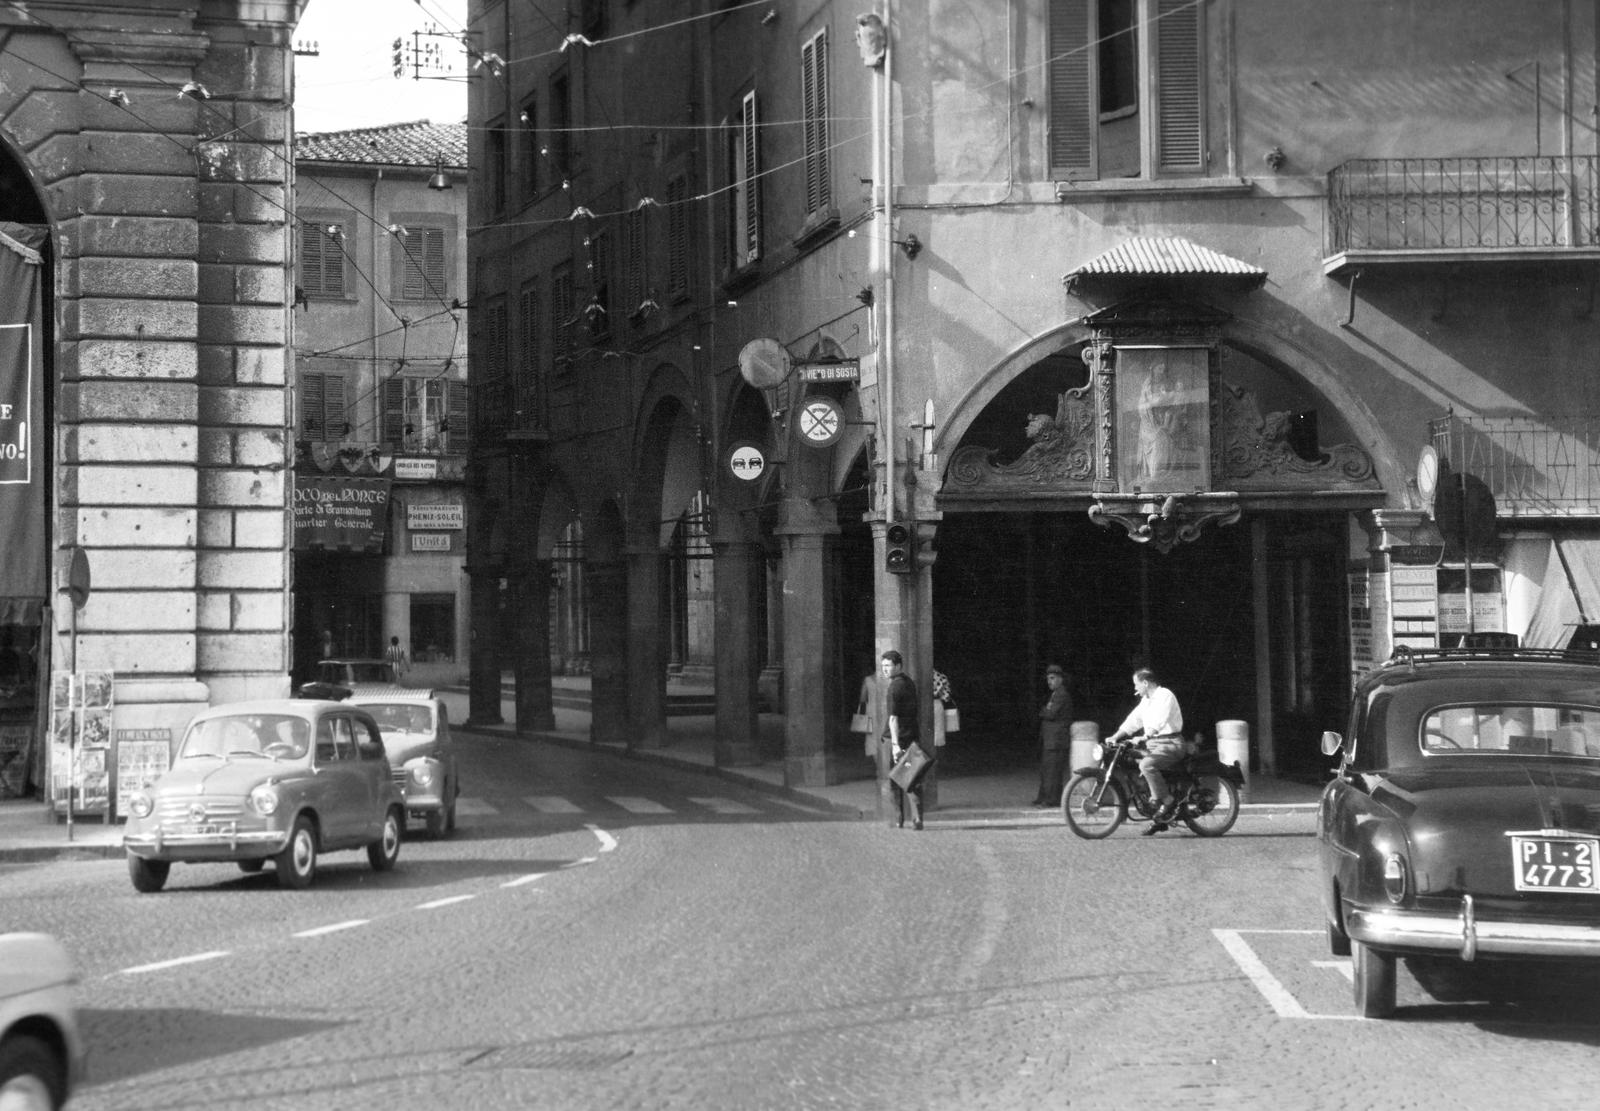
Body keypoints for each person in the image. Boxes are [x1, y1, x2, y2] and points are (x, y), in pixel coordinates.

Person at [1106, 666, 1185, 836]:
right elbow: (1133, 720)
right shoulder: (1146, 700)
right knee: (1134, 764)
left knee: (1147, 766)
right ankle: (1159, 816)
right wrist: (1115, 736)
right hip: (1154, 744)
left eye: (1136, 684)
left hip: (1171, 743)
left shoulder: (1165, 695)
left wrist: (1145, 736)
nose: (1135, 688)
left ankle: (1168, 801)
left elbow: (1160, 721)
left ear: (1145, 683)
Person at [878, 650, 927, 830]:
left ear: (898, 666)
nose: (884, 669)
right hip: (912, 737)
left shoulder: (893, 687)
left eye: (888, 666)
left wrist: (895, 745)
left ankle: (898, 818)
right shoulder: (909, 683)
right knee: (912, 777)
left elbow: (893, 718)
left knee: (895, 779)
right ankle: (917, 818)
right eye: (883, 666)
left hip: (897, 740)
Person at [1031, 664, 1073, 808]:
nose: (1049, 681)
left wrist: (1043, 710)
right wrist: (1045, 710)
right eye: (1048, 678)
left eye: (1053, 678)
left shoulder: (1061, 694)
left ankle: (1051, 800)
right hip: (1051, 740)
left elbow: (1050, 713)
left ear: (1060, 679)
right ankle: (1043, 797)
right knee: (1046, 770)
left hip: (1056, 740)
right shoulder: (1055, 694)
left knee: (1053, 772)